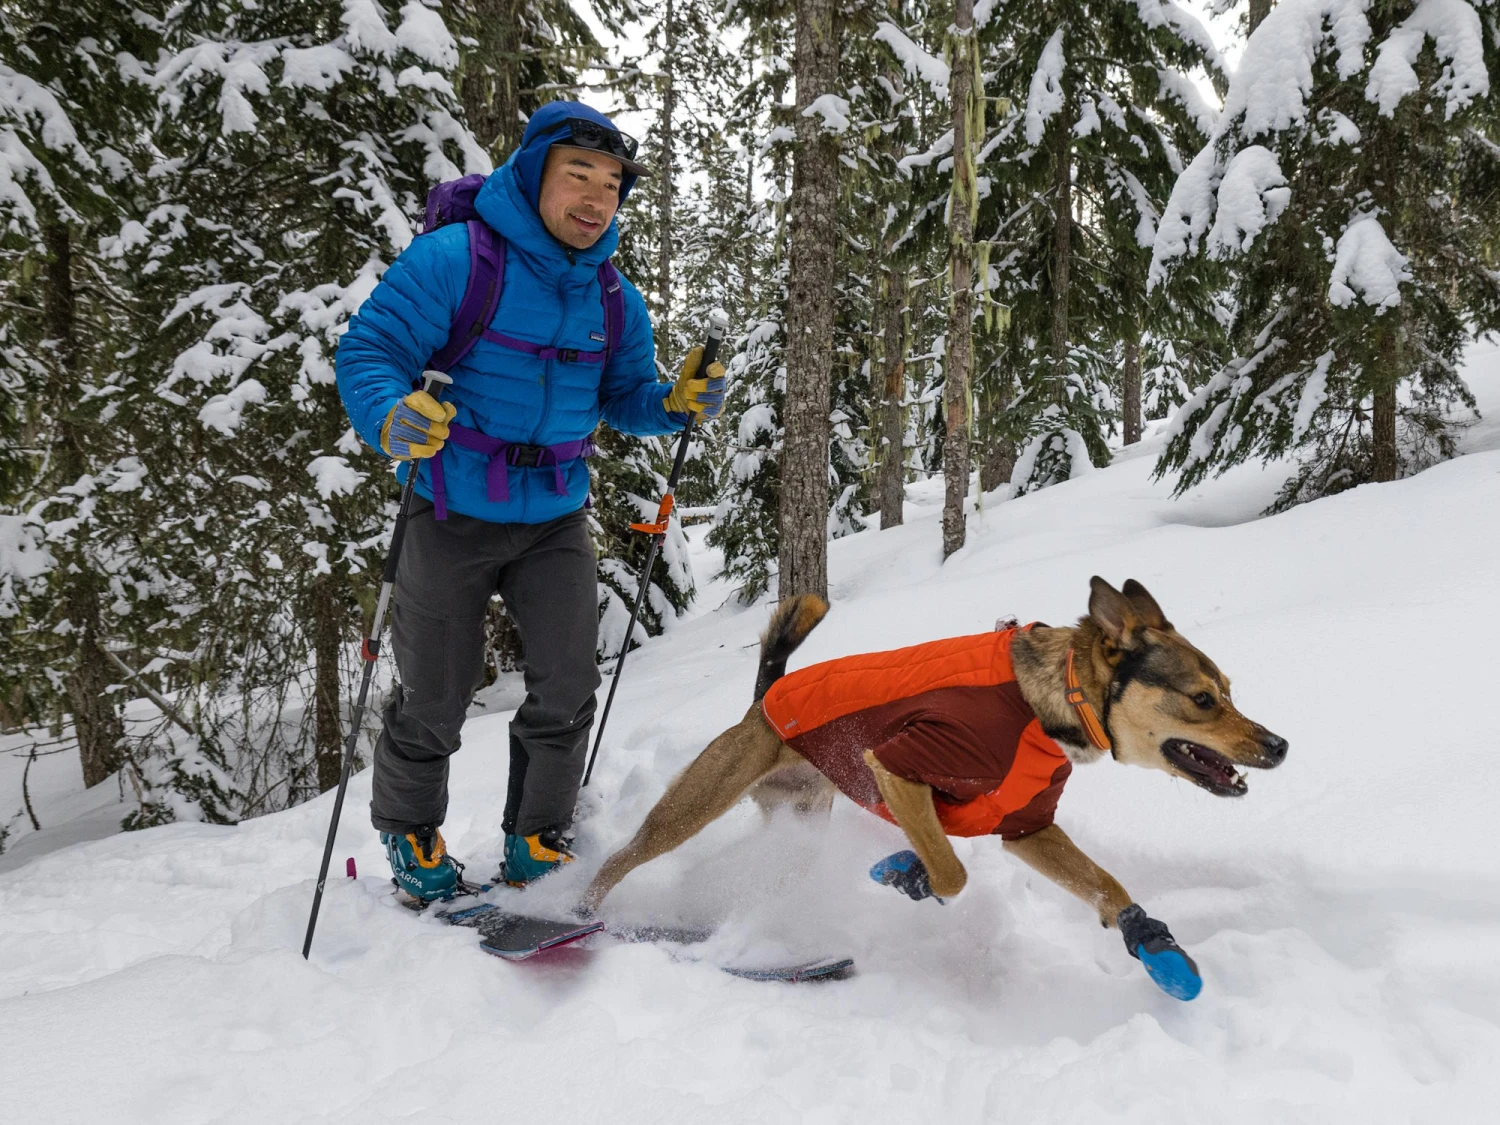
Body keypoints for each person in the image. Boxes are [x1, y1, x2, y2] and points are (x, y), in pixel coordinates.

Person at [335, 101, 725, 901]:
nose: (595, 198)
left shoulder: (615, 299)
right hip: (447, 507)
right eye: (578, 175)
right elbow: (371, 349)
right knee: (437, 696)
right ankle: (410, 832)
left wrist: (673, 402)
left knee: (566, 684)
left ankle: (535, 836)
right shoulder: (456, 259)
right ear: (533, 172)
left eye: (612, 184)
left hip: (552, 516)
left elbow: (624, 397)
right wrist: (390, 416)